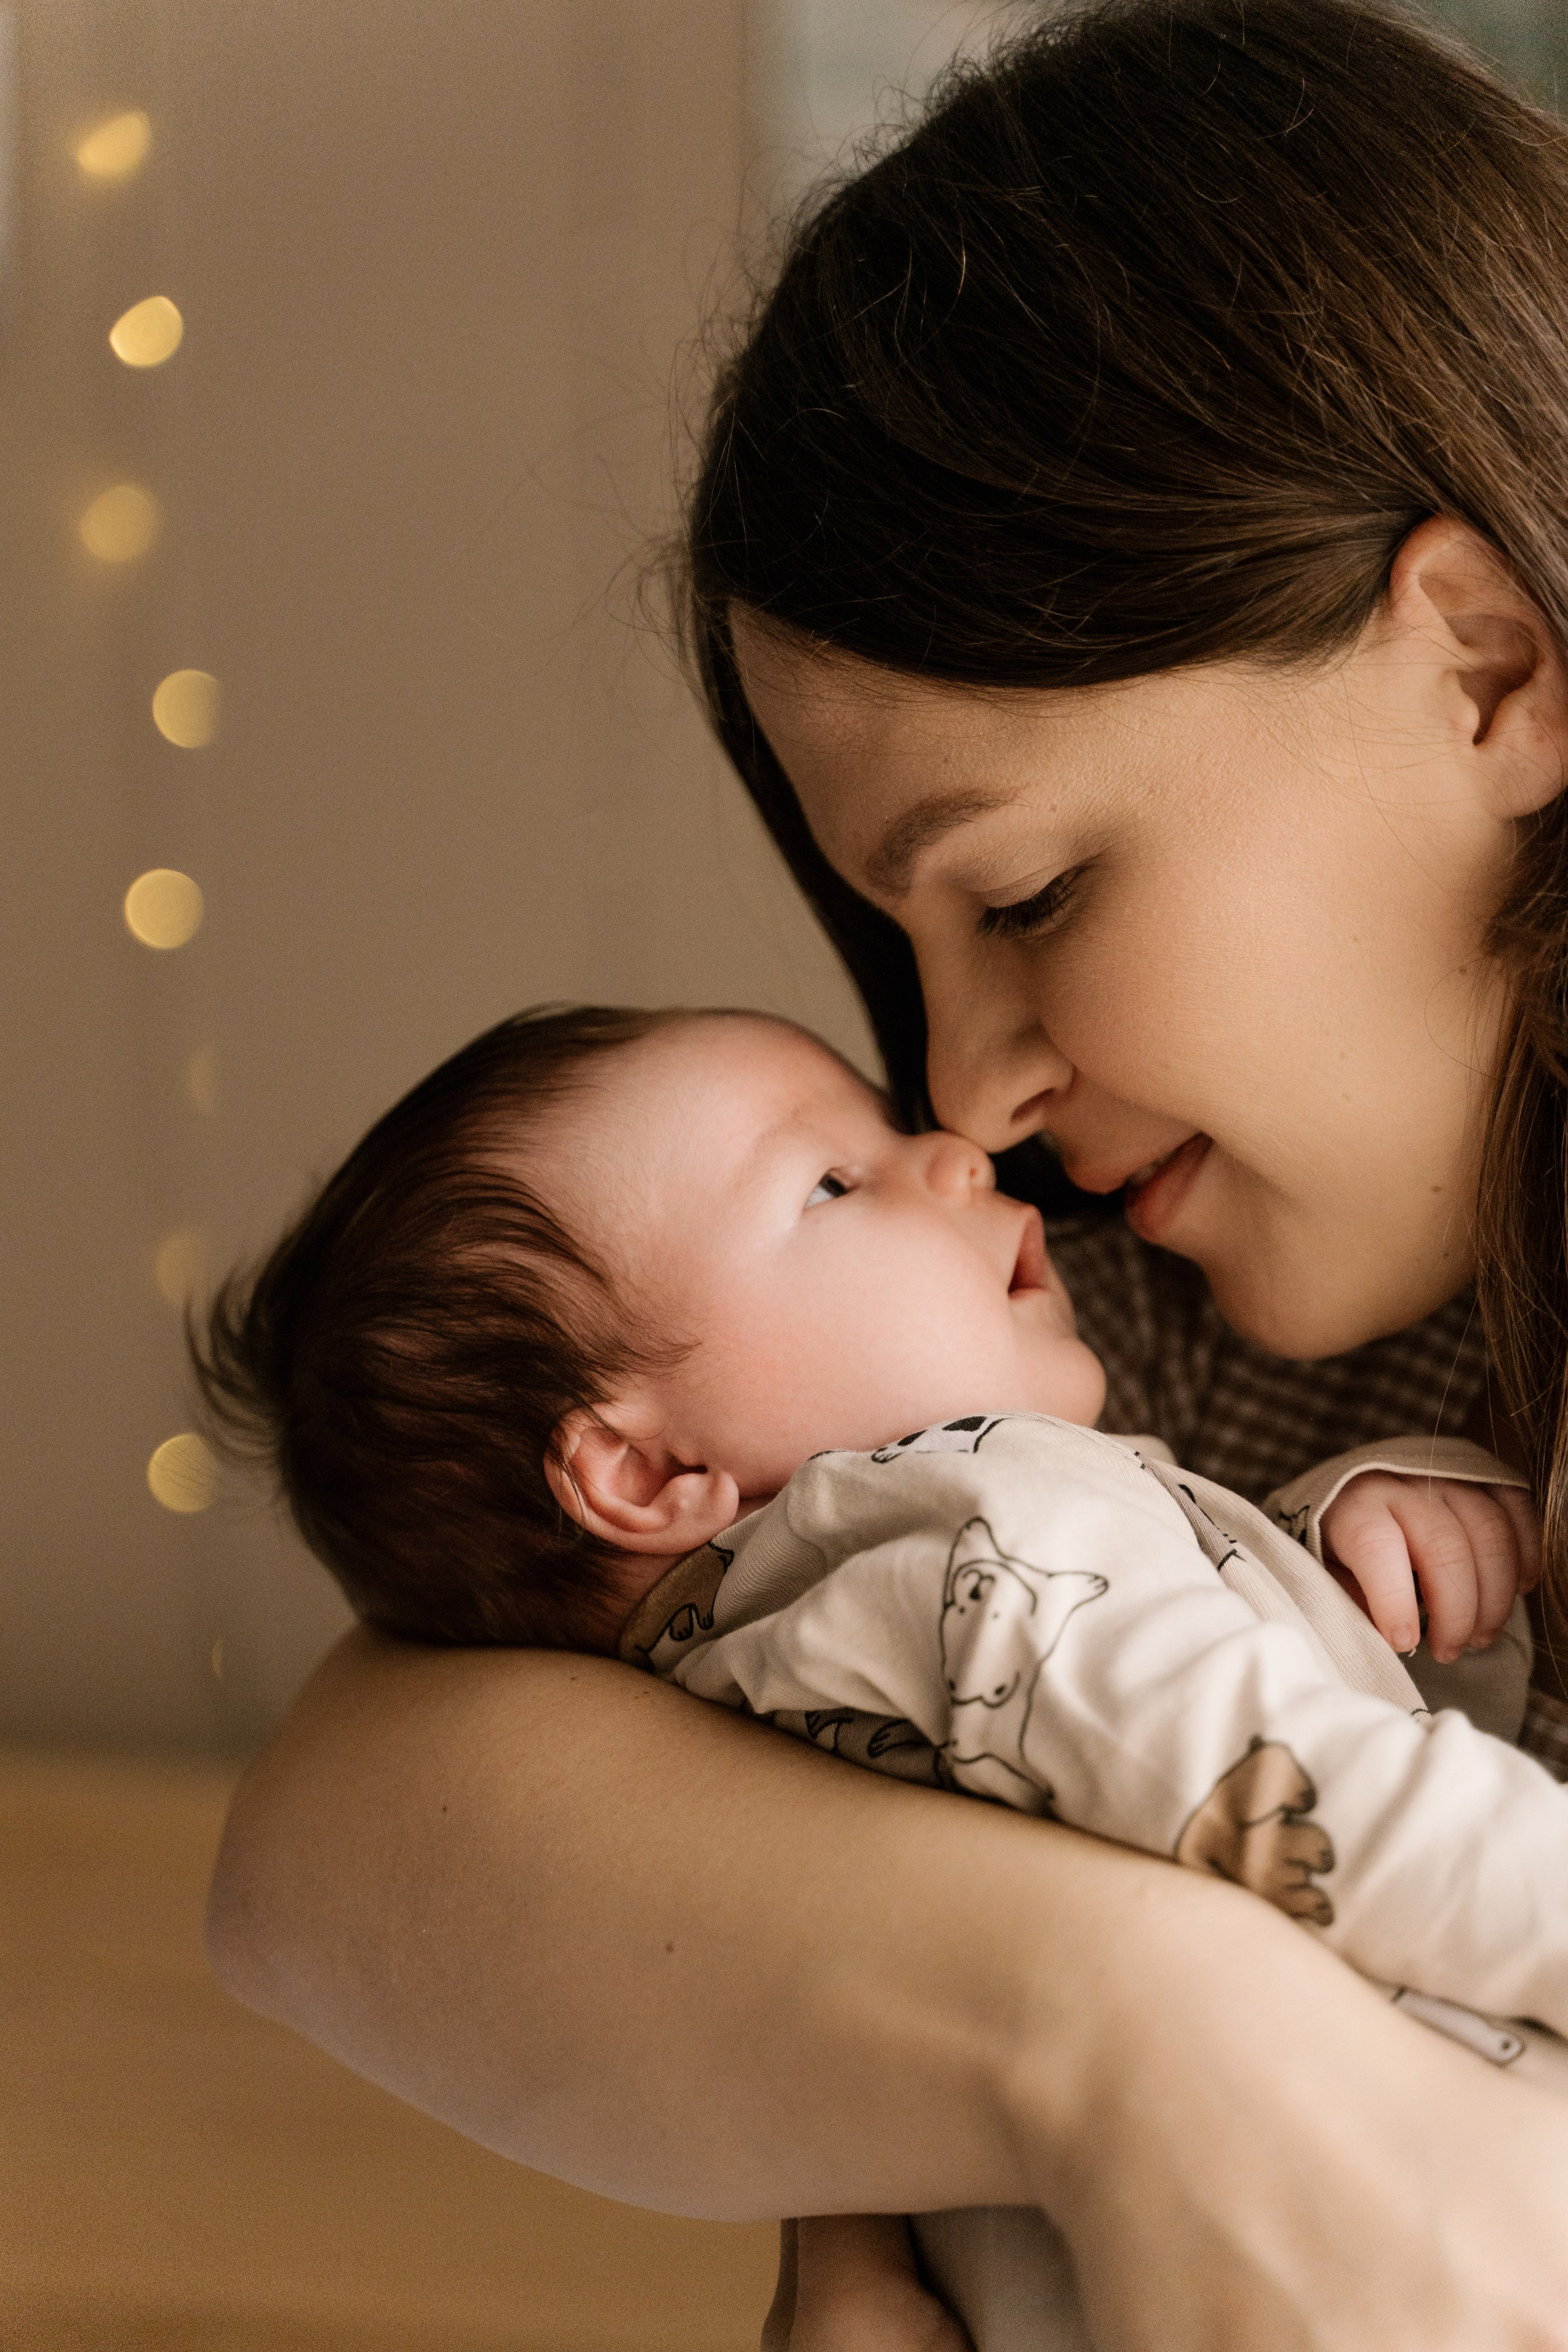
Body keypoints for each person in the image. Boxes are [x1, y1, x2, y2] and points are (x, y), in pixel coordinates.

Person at [205, 3, 1568, 2344]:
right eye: (901, 941)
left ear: (1480, 661)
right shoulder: (1144, 1328)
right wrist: (1130, 2048)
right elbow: (328, 1847)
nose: (971, 1091)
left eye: (1028, 894)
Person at [197, 995, 1561, 2345]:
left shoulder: (765, 1674)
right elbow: (1304, 1801)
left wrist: (1341, 1554)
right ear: (651, 1468)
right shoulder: (985, 1521)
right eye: (832, 1182)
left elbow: (1196, 1758)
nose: (953, 1147)